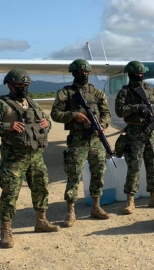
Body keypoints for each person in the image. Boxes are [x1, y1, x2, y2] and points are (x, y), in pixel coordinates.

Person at [0, 69, 60, 248]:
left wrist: (47, 123)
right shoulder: (1, 104)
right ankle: (6, 230)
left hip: (36, 156)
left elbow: (46, 120)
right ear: (9, 85)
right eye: (19, 86)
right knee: (10, 194)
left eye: (26, 86)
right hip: (13, 158)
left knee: (41, 188)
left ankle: (41, 221)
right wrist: (7, 125)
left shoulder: (31, 103)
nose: (23, 88)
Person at [51, 59, 111, 227]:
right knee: (74, 175)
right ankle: (71, 211)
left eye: (86, 72)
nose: (83, 75)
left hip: (96, 139)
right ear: (73, 73)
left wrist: (103, 125)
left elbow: (106, 114)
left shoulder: (97, 93)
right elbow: (55, 114)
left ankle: (96, 206)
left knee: (98, 172)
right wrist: (73, 115)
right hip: (78, 138)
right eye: (80, 72)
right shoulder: (66, 93)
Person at [115, 61, 154, 214]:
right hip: (135, 132)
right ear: (130, 74)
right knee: (134, 166)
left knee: (153, 165)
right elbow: (120, 110)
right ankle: (130, 200)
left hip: (151, 132)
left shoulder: (151, 90)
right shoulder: (125, 92)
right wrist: (137, 107)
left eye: (141, 73)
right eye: (136, 73)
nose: (139, 76)